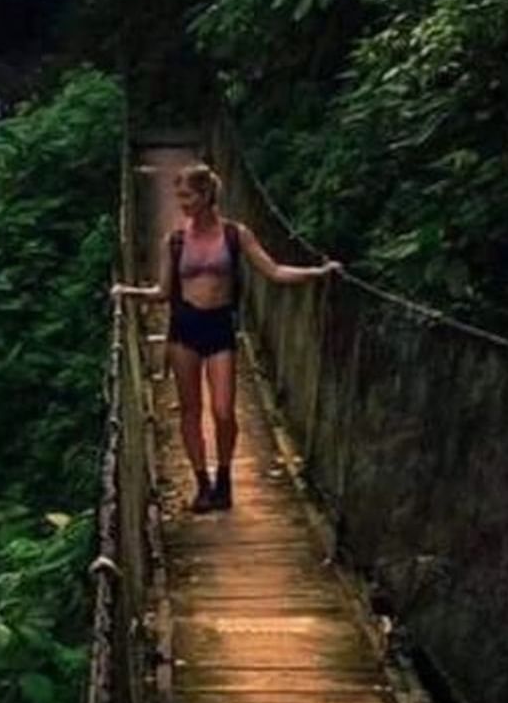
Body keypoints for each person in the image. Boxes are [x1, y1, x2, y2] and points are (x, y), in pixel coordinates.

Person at [111, 163, 340, 513]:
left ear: (205, 196)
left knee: (223, 411)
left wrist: (317, 273)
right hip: (184, 328)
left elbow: (274, 270)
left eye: (187, 196)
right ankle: (203, 484)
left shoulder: (235, 235)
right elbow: (162, 291)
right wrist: (127, 292)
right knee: (190, 410)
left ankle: (225, 478)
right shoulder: (173, 240)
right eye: (179, 196)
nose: (182, 203)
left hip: (220, 327)